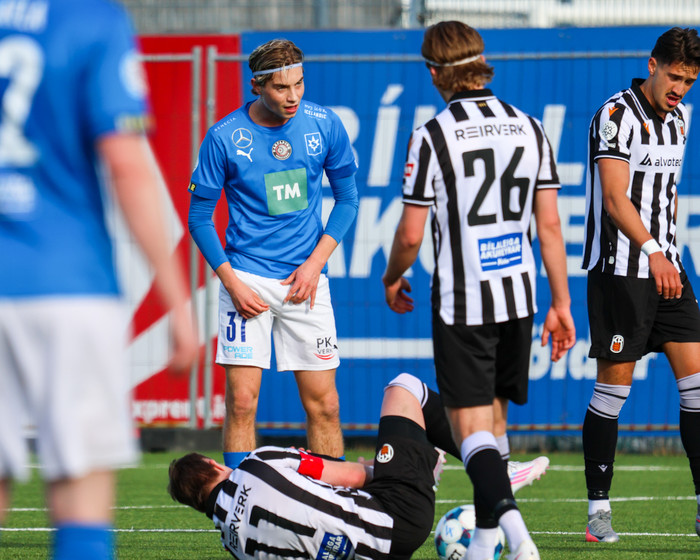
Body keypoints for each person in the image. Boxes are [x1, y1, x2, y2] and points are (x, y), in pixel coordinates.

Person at [0, 1, 199, 559]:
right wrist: (177, 302)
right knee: (80, 496)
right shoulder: (90, 18)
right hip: (69, 284)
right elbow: (126, 163)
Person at [382, 21, 576, 560]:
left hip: (464, 302)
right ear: (480, 63)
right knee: (494, 428)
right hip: (519, 297)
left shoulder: (432, 135)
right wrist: (561, 304)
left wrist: (392, 276)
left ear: (434, 72)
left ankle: (519, 538)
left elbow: (410, 234)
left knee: (470, 432)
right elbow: (550, 227)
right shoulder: (530, 128)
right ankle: (486, 541)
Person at [187, 38, 358, 468]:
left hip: (306, 282)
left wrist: (315, 264)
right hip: (246, 282)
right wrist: (232, 283)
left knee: (325, 406)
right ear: (257, 85)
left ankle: (331, 501)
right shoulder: (223, 137)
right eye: (282, 87)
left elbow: (348, 199)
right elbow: (199, 218)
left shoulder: (325, 124)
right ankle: (237, 500)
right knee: (242, 403)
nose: (293, 95)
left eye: (299, 84)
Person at [580, 27, 700, 543]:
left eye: (690, 81)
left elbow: (664, 195)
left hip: (667, 268)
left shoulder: (681, 119)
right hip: (621, 271)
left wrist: (665, 252)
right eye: (674, 77)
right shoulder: (615, 116)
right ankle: (598, 511)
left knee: (698, 388)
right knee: (613, 392)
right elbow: (614, 198)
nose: (680, 89)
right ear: (652, 65)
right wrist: (652, 251)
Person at [168, 373, 472, 559]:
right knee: (404, 387)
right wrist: (401, 470)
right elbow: (353, 475)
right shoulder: (257, 463)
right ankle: (484, 459)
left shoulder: (234, 546)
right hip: (399, 515)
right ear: (213, 464)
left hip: (380, 552)